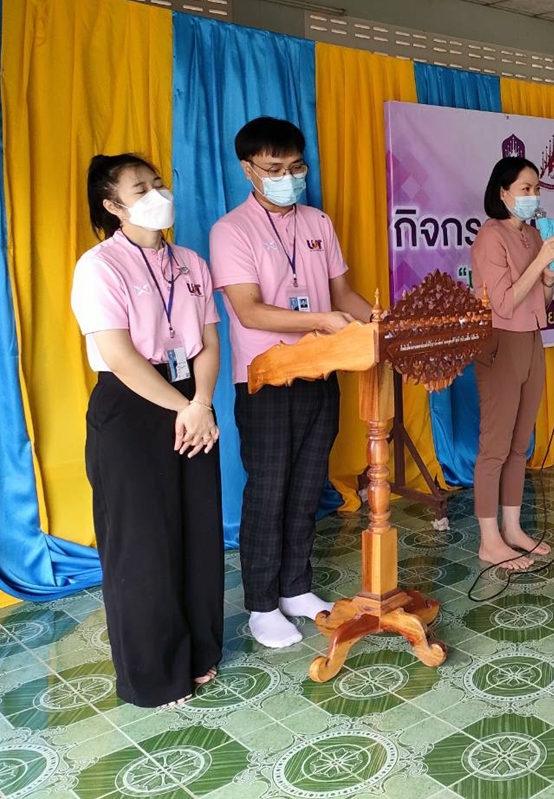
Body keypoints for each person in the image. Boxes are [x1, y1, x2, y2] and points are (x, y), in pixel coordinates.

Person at [209, 117, 372, 649]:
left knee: (308, 484)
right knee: (269, 490)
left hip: (321, 370)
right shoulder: (231, 230)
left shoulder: (318, 222)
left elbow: (341, 295)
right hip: (266, 377)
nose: (288, 177)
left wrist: (380, 326)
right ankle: (261, 604)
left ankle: (297, 588)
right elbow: (249, 311)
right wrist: (318, 321)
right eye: (274, 169)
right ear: (247, 170)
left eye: (296, 167)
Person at [71, 154, 223, 708]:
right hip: (132, 406)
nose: (157, 192)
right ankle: (154, 675)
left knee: (197, 530)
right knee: (141, 545)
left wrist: (200, 402)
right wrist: (184, 407)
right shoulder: (100, 266)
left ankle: (201, 652)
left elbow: (207, 340)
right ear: (113, 206)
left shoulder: (190, 261)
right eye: (141, 188)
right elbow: (118, 354)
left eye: (159, 182)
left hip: (192, 398)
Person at [470, 156, 554, 571]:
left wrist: (548, 276)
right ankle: (488, 539)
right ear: (503, 193)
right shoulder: (490, 237)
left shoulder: (530, 235)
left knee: (518, 444)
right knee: (494, 446)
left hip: (531, 339)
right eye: (525, 189)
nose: (533, 196)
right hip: (501, 342)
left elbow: (537, 301)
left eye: (536, 189)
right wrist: (541, 263)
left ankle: (512, 527)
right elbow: (505, 302)